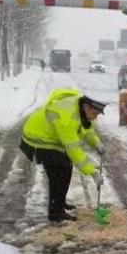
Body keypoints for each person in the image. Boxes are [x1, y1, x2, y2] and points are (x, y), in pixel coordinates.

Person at [19, 89, 106, 222]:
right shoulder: (67, 116)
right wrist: (93, 173)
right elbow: (73, 149)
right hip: (39, 138)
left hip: (52, 137)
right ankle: (55, 213)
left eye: (98, 115)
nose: (95, 117)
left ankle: (59, 202)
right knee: (58, 173)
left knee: (66, 169)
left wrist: (96, 143)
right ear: (86, 107)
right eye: (95, 113)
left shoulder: (80, 107)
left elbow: (85, 128)